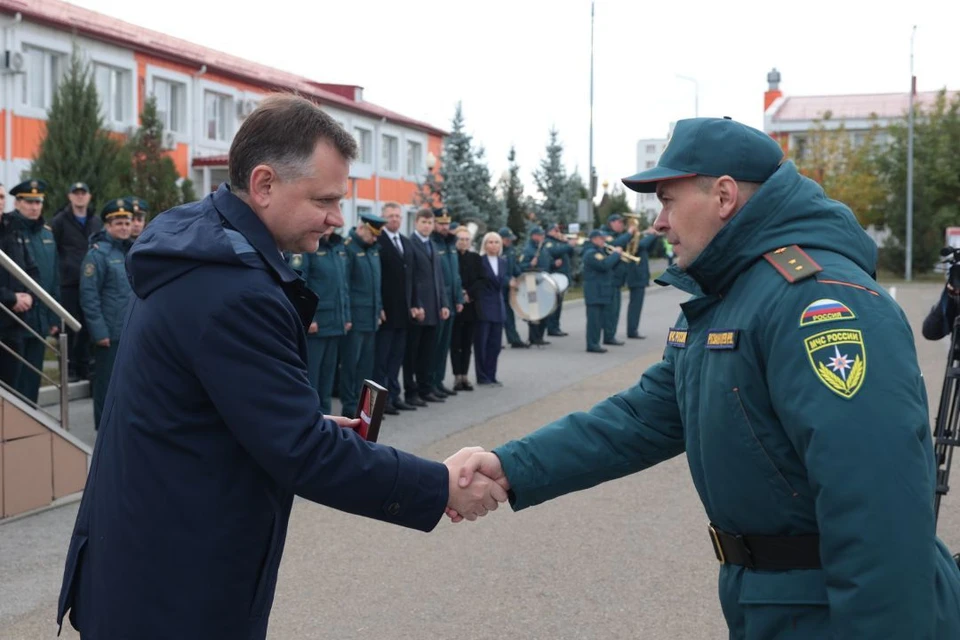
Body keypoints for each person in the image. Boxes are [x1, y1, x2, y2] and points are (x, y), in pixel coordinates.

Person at [452, 116, 960, 639]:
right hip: (773, 598)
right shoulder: (730, 293)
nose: (658, 223)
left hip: (827, 608)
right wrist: (510, 465)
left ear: (723, 196)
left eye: (668, 201)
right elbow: (643, 416)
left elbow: (878, 508)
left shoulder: (817, 300)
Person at [56, 94, 506, 639]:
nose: (337, 217)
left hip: (144, 566)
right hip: (176, 592)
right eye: (325, 199)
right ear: (265, 185)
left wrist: (302, 422)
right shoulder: (233, 288)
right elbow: (302, 452)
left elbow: (225, 412)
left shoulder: (203, 250)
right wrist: (439, 485)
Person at [79, 199, 134, 428]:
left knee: (127, 383)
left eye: (127, 222)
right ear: (107, 226)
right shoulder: (98, 255)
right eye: (118, 223)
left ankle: (121, 427)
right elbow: (89, 296)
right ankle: (103, 429)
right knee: (106, 385)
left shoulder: (132, 251)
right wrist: (99, 331)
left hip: (130, 330)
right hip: (109, 334)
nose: (124, 227)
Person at [286, 228, 349, 414]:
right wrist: (309, 317)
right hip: (317, 323)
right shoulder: (307, 245)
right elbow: (299, 283)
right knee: (312, 376)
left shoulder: (337, 247)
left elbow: (343, 286)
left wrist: (345, 316)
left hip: (335, 322)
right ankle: (311, 418)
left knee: (328, 378)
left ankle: (327, 417)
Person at [7, 180, 60, 402]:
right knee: (13, 382)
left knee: (32, 381)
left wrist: (54, 316)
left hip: (40, 319)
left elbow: (54, 278)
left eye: (38, 201)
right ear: (17, 202)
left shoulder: (47, 234)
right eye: (29, 201)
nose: (34, 206)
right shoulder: (8, 230)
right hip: (14, 317)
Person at [52, 182, 101, 382]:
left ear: (89, 196)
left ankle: (85, 367)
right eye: (76, 193)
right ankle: (69, 369)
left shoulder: (95, 221)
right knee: (69, 328)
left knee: (88, 327)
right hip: (68, 282)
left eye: (83, 193)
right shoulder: (60, 221)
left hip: (90, 283)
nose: (80, 197)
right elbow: (53, 251)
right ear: (69, 196)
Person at [374, 202, 419, 414]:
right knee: (382, 359)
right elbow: (377, 280)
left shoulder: (405, 242)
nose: (395, 219)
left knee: (396, 358)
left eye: (398, 216)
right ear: (383, 219)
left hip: (404, 312)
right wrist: (379, 307)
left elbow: (412, 278)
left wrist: (415, 304)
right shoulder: (379, 242)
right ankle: (380, 403)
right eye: (391, 216)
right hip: (386, 312)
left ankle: (393, 395)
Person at [339, 213, 384, 417]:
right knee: (351, 365)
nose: (375, 239)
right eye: (372, 234)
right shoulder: (348, 248)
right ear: (362, 228)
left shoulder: (373, 250)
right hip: (355, 318)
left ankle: (363, 408)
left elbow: (377, 285)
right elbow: (345, 286)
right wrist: (346, 315)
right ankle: (349, 406)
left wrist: (380, 307)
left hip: (371, 316)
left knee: (366, 365)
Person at [403, 207, 449, 405]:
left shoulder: (432, 245)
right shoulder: (410, 244)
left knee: (428, 352)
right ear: (416, 223)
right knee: (412, 353)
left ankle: (425, 388)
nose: (427, 226)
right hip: (419, 309)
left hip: (434, 308)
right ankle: (410, 392)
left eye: (430, 223)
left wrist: (443, 303)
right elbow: (411, 279)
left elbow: (439, 278)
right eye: (424, 222)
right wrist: (416, 304)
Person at [429, 210, 462, 397]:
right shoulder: (433, 243)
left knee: (444, 347)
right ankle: (431, 382)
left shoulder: (451, 244)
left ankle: (439, 381)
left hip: (451, 301)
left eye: (446, 223)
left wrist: (458, 298)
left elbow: (455, 275)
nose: (444, 227)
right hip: (438, 302)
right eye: (441, 223)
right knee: (435, 346)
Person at [451, 227, 484, 391]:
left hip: (470, 306)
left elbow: (481, 280)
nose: (463, 242)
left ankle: (465, 375)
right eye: (460, 239)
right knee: (455, 343)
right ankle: (457, 376)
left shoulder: (475, 258)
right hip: (455, 306)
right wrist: (459, 294)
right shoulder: (451, 256)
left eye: (466, 239)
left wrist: (469, 294)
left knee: (467, 344)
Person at [475, 231, 508, 386]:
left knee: (495, 345)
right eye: (490, 242)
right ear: (485, 244)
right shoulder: (480, 261)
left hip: (498, 306)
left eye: (496, 242)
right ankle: (482, 376)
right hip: (483, 307)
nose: (493, 245)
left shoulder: (502, 262)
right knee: (482, 344)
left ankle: (491, 374)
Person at [581, 229, 622, 353]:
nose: (604, 241)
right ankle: (592, 344)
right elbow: (604, 265)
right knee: (594, 320)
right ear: (594, 239)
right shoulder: (591, 253)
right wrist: (616, 254)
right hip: (594, 291)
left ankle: (596, 343)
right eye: (601, 238)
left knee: (599, 319)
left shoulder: (599, 252)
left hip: (601, 291)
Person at [624, 224, 661, 340]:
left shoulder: (640, 244)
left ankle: (633, 329)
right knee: (635, 306)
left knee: (637, 306)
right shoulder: (632, 243)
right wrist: (652, 234)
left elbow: (649, 247)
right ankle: (632, 330)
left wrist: (655, 237)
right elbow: (643, 244)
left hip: (640, 277)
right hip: (635, 278)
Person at [518, 225, 552, 346]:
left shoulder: (542, 248)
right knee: (534, 311)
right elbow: (521, 266)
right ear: (533, 236)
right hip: (532, 283)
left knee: (545, 309)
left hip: (543, 281)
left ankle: (540, 336)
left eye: (543, 235)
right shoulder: (528, 250)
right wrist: (530, 264)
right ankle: (533, 336)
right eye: (540, 235)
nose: (542, 237)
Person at [600, 213, 630, 346]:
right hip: (610, 280)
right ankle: (608, 335)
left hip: (617, 280)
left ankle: (611, 334)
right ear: (611, 223)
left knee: (616, 309)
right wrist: (629, 234)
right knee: (611, 310)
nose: (621, 224)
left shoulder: (617, 235)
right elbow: (614, 244)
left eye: (622, 222)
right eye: (619, 222)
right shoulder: (605, 234)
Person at [544, 223, 575, 337]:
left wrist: (567, 243)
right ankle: (551, 327)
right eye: (555, 230)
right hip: (554, 277)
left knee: (559, 303)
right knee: (554, 303)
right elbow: (554, 251)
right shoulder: (548, 242)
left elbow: (571, 253)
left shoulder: (560, 242)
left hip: (562, 276)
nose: (558, 233)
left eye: (558, 230)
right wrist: (568, 244)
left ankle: (556, 326)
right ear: (549, 232)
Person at [499, 227, 527, 348]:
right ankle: (495, 341)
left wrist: (521, 276)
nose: (509, 241)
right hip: (498, 288)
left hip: (508, 290)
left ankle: (514, 339)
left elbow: (514, 266)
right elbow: (496, 271)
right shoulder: (497, 251)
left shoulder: (510, 250)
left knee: (509, 315)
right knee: (498, 316)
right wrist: (507, 281)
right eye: (507, 239)